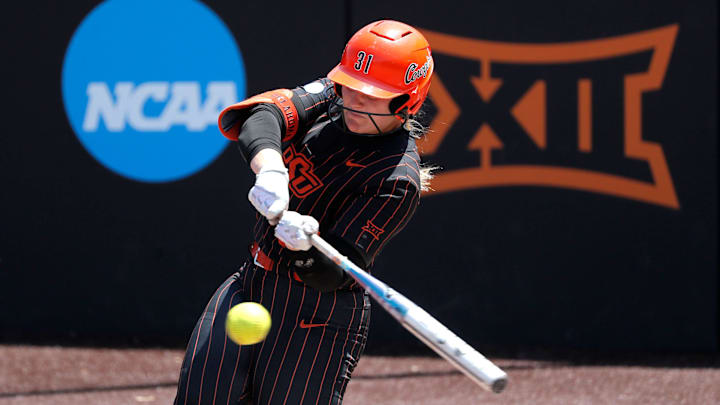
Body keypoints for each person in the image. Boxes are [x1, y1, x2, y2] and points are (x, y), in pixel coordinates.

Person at [175, 19, 435, 405]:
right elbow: (260, 117)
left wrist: (306, 244)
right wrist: (271, 170)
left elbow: (334, 270)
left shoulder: (397, 178)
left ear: (405, 101)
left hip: (318, 315)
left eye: (373, 93)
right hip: (252, 282)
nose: (355, 99)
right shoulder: (333, 95)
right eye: (352, 85)